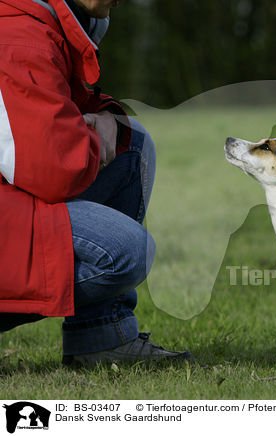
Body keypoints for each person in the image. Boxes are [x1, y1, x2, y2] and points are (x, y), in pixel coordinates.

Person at [0, 0, 193, 365]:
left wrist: (104, 118)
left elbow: (65, 107)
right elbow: (53, 169)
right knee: (127, 251)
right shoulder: (21, 37)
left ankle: (102, 338)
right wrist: (96, 135)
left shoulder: (40, 22)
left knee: (131, 147)